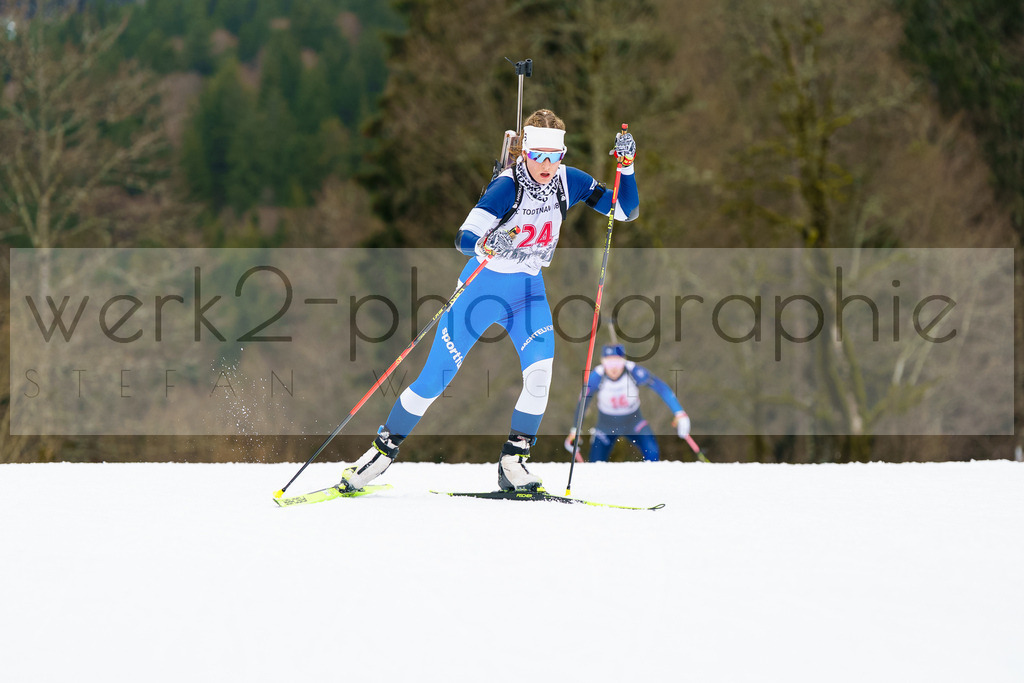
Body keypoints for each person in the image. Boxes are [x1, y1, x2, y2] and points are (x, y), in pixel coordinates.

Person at [338, 109, 640, 492]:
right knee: (435, 380)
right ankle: (380, 455)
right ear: (526, 152)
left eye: (555, 156)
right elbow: (463, 237)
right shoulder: (507, 187)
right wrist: (484, 243)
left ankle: (514, 462)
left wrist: (626, 167)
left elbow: (625, 211)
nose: (547, 165)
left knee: (540, 375)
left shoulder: (570, 181)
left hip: (527, 295)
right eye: (539, 156)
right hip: (479, 294)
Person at [565, 344, 691, 462]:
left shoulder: (634, 371)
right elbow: (583, 402)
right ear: (602, 362)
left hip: (634, 421)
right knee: (595, 460)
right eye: (609, 362)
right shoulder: (596, 376)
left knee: (652, 451)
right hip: (606, 424)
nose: (613, 368)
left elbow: (661, 388)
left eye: (617, 362)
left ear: (624, 361)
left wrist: (679, 413)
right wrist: (575, 430)